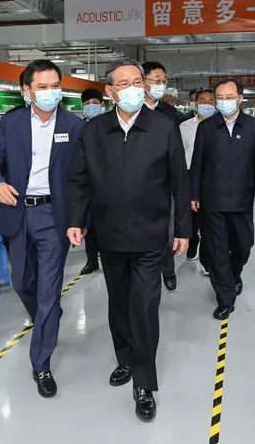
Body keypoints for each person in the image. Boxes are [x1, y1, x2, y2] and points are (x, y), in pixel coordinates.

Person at [67, 58, 190, 422]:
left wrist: (182, 229)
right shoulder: (94, 131)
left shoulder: (163, 127)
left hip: (150, 236)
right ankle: (125, 359)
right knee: (119, 304)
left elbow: (179, 182)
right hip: (109, 236)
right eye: (124, 84)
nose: (134, 88)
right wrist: (76, 220)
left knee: (145, 307)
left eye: (138, 82)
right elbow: (80, 180)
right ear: (110, 92)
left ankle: (144, 382)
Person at [0, 59, 84, 398]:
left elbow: (81, 177)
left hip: (54, 216)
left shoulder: (74, 125)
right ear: (26, 90)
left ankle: (41, 363)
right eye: (42, 87)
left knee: (48, 290)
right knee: (22, 282)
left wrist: (79, 219)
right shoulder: (11, 122)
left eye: (55, 86)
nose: (50, 92)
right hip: (17, 212)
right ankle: (47, 316)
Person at [190, 78, 255, 320]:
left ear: (240, 99)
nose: (224, 102)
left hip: (242, 199)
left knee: (243, 245)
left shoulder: (254, 126)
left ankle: (234, 274)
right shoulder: (206, 128)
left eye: (229, 97)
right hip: (212, 199)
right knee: (217, 250)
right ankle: (225, 298)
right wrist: (194, 194)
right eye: (220, 98)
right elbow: (197, 163)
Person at [142, 61, 188, 290]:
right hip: (134, 184)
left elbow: (178, 155)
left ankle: (167, 270)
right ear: (142, 82)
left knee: (166, 233)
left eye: (164, 81)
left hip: (163, 184)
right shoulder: (128, 112)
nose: (161, 85)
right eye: (156, 80)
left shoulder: (171, 116)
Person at [180, 88, 215, 271]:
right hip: (189, 174)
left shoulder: (221, 126)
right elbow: (178, 154)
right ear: (195, 103)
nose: (206, 104)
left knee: (209, 216)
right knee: (192, 214)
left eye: (210, 101)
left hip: (212, 175)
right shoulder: (184, 127)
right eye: (202, 100)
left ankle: (206, 257)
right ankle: (193, 240)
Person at [79, 88, 105, 275]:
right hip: (86, 183)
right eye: (87, 104)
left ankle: (109, 258)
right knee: (88, 224)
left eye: (95, 103)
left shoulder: (109, 125)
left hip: (106, 183)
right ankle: (91, 260)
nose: (91, 107)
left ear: (102, 105)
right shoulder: (79, 127)